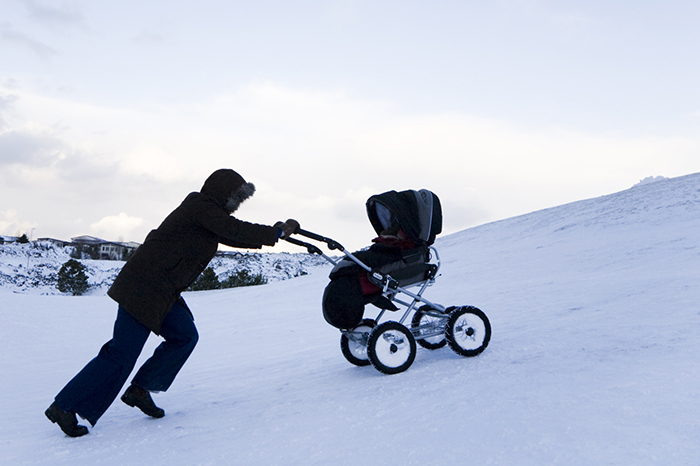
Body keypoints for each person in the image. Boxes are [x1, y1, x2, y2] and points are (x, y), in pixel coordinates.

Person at [45, 169, 299, 437]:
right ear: (223, 194)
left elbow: (235, 235)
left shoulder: (209, 217)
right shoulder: (199, 206)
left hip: (163, 291)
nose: (235, 206)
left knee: (185, 336)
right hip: (142, 287)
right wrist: (277, 231)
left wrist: (274, 235)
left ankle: (140, 389)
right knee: (122, 353)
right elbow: (234, 229)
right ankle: (64, 406)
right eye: (234, 199)